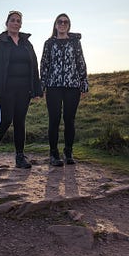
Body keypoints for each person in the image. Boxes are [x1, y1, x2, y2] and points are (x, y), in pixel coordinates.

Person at [0, 10, 43, 170]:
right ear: (7, 23)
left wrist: (37, 90)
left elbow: (34, 67)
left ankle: (20, 157)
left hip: (24, 90)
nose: (16, 23)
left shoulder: (26, 43)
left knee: (20, 122)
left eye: (18, 21)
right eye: (13, 20)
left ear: (21, 24)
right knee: (5, 121)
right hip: (5, 89)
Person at [40, 13, 89, 166]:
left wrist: (83, 82)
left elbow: (81, 62)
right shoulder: (49, 43)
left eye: (65, 22)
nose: (62, 24)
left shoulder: (75, 43)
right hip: (53, 86)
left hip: (72, 86)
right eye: (59, 22)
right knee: (54, 119)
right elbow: (44, 64)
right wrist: (42, 85)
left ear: (69, 25)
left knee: (69, 120)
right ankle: (53, 153)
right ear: (55, 25)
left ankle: (68, 152)